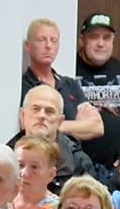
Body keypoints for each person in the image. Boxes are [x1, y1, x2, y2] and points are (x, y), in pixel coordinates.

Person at [19, 18, 102, 146]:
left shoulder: (70, 84)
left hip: (73, 155)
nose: (48, 46)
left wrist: (52, 125)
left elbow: (97, 127)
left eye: (53, 40)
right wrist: (78, 125)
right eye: (41, 40)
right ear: (28, 46)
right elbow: (29, 127)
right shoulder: (23, 86)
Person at [73, 12, 120, 174]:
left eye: (106, 38)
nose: (101, 44)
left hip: (115, 168)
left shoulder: (119, 69)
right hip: (79, 166)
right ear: (81, 40)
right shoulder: (70, 69)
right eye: (94, 37)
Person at [8, 86, 97, 192]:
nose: (41, 115)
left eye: (49, 111)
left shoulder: (78, 163)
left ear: (60, 121)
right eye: (35, 109)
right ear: (22, 116)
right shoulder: (6, 157)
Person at [10, 134, 61, 209]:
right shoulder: (0, 201)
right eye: (20, 165)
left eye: (34, 167)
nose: (24, 173)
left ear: (51, 174)